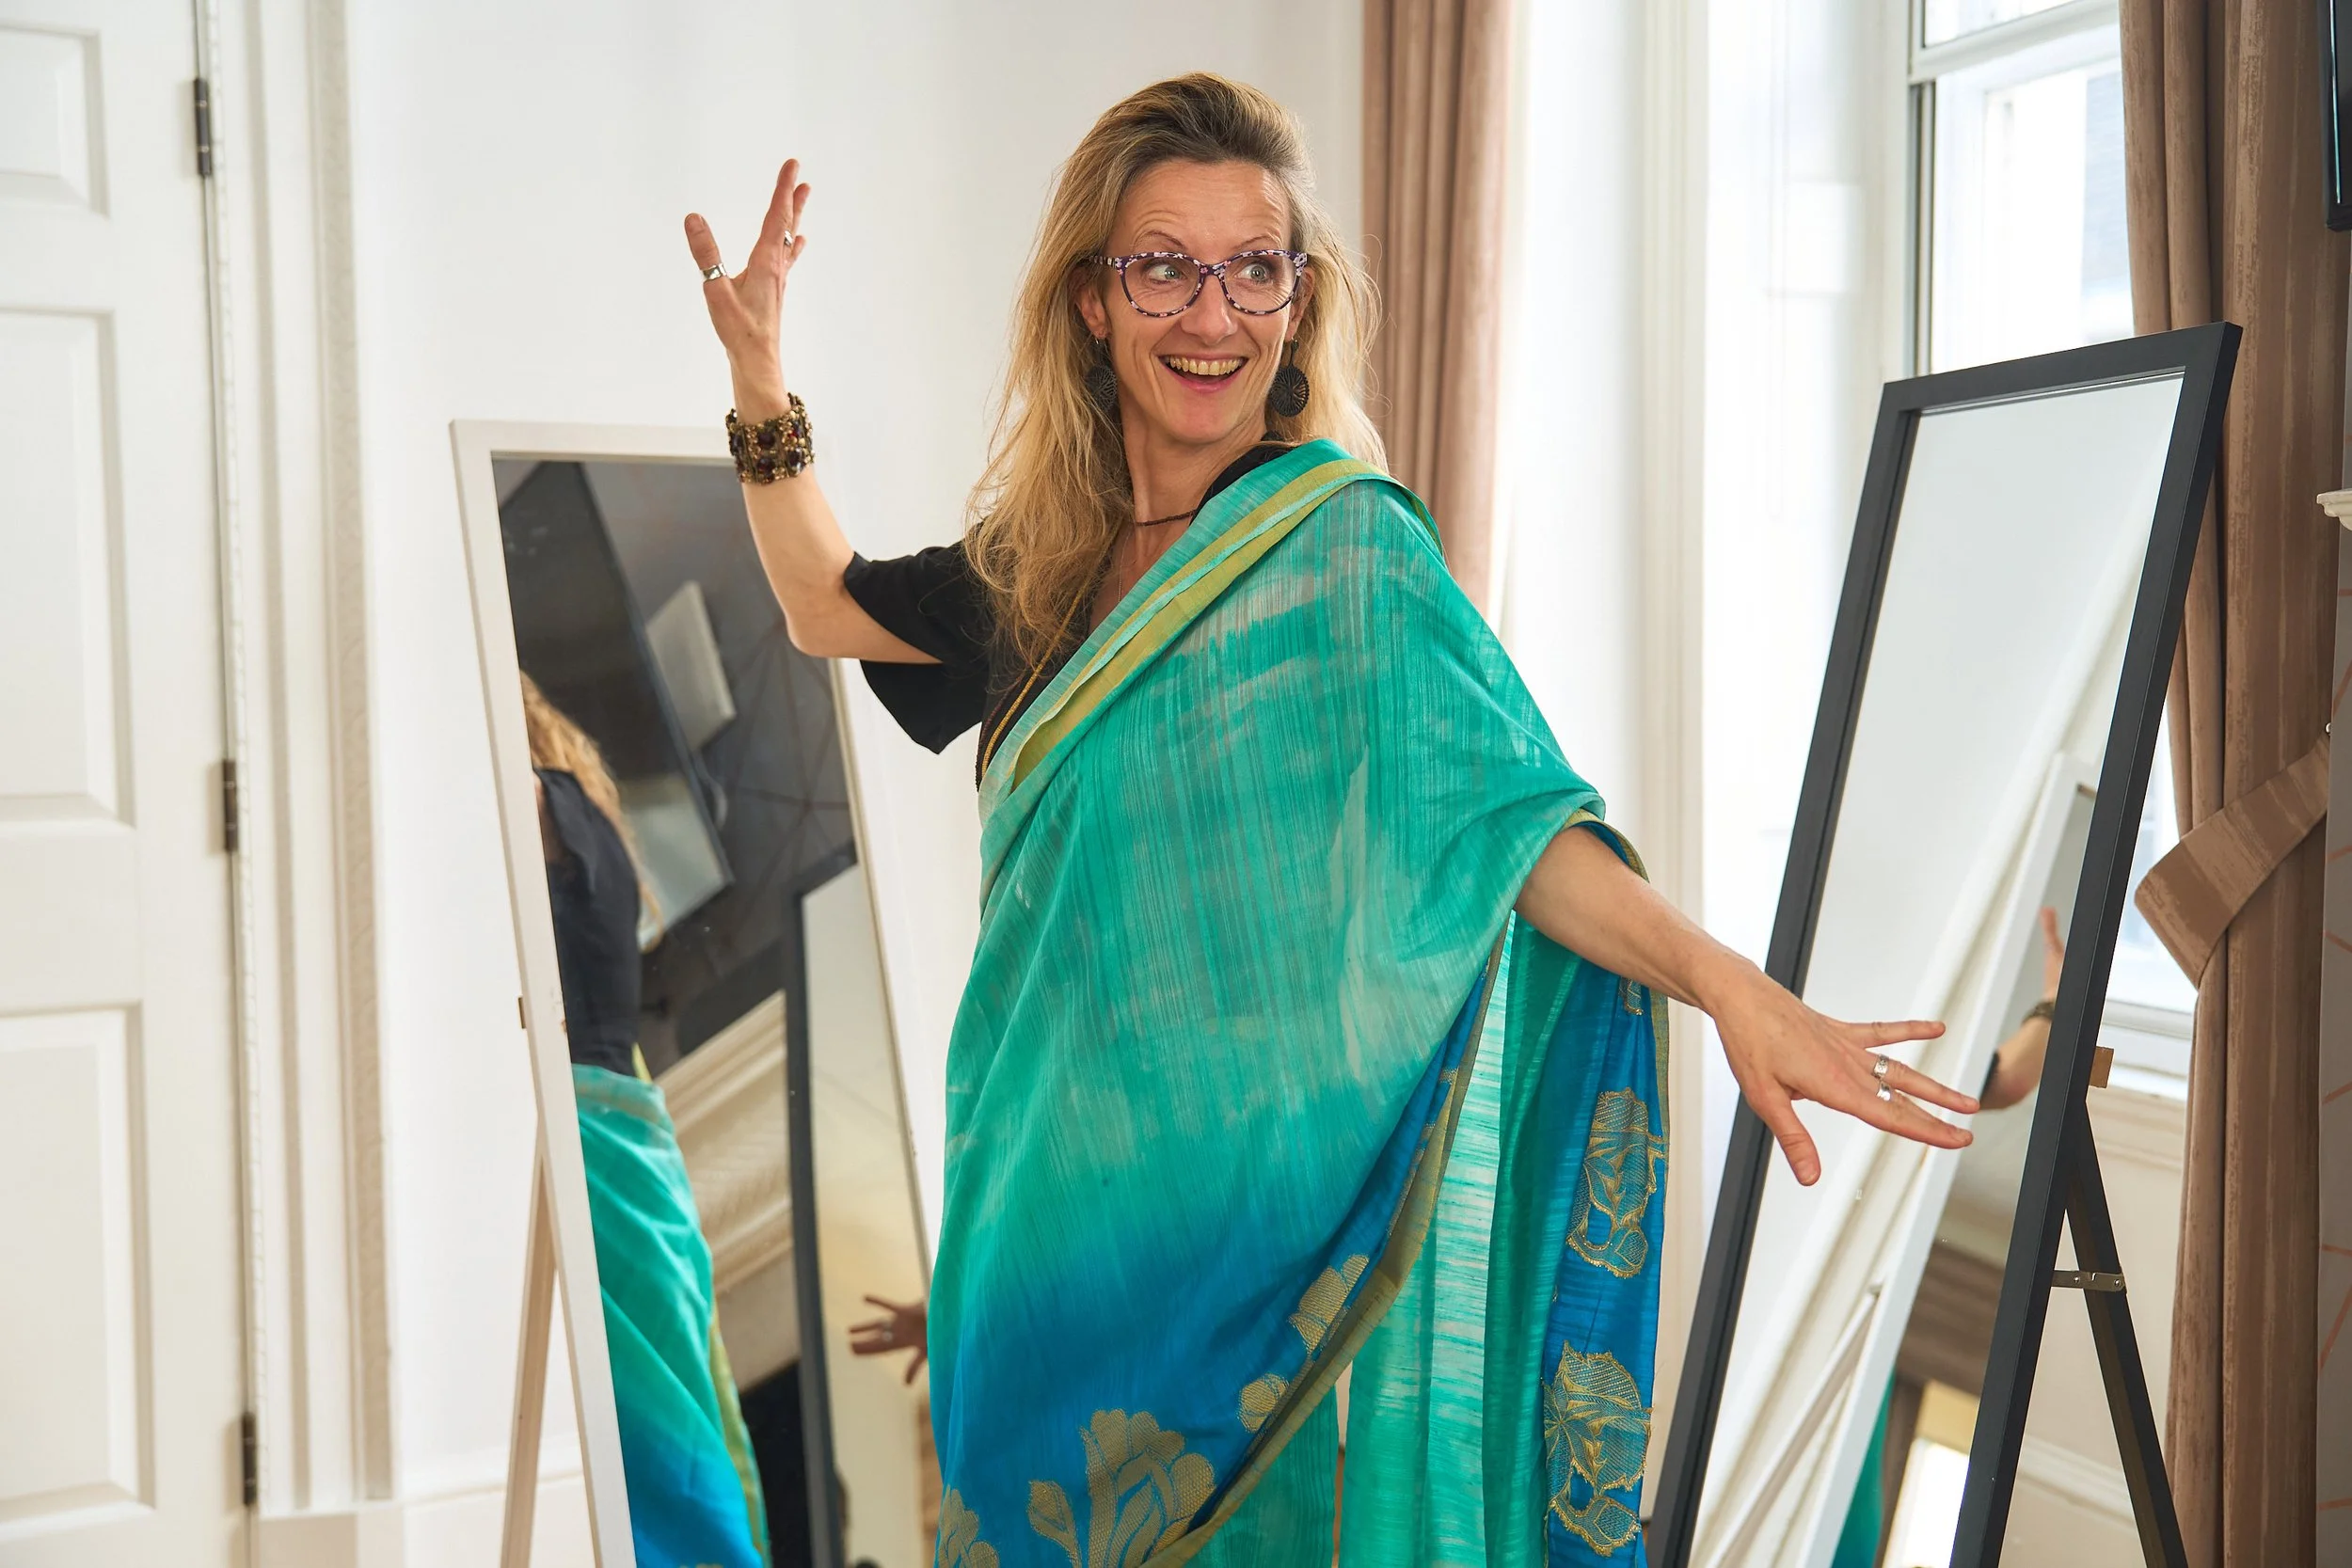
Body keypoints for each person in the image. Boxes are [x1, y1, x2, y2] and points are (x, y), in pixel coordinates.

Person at [682, 73, 1978, 1566]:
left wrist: (1726, 981)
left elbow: (1513, 824)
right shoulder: (1038, 567)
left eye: (1256, 268)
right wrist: (761, 371)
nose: (1211, 314)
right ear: (1095, 301)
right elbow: (820, 601)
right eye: (1164, 265)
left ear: (1297, 303)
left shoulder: (1343, 552)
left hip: (1244, 1284)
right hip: (1031, 1240)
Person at [522, 674, 771, 1568]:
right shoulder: (578, 813)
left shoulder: (533, 804)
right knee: (661, 1423)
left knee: (650, 1442)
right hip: (623, 1143)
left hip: (594, 1141)